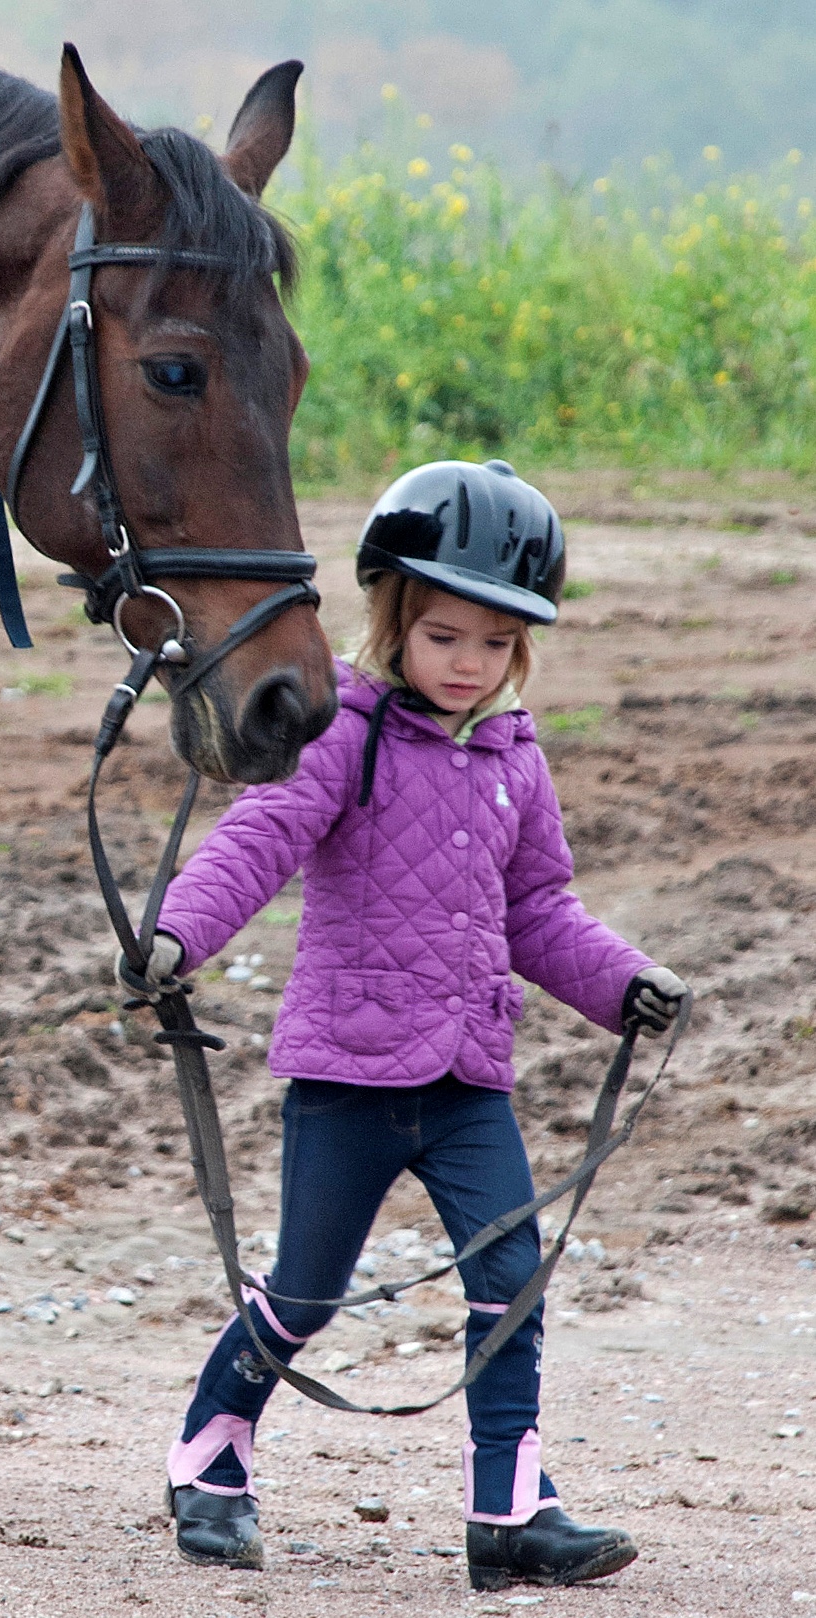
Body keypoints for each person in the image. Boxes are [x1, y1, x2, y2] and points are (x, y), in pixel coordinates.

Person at [132, 460, 689, 1589]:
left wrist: (622, 980)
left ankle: (510, 1511)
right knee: (305, 1292)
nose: (468, 661)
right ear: (390, 620)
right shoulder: (345, 731)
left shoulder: (514, 755)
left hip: (470, 1079)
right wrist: (178, 935)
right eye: (442, 637)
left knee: (511, 1282)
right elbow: (259, 838)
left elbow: (539, 910)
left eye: (495, 643)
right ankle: (212, 1458)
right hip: (349, 1074)